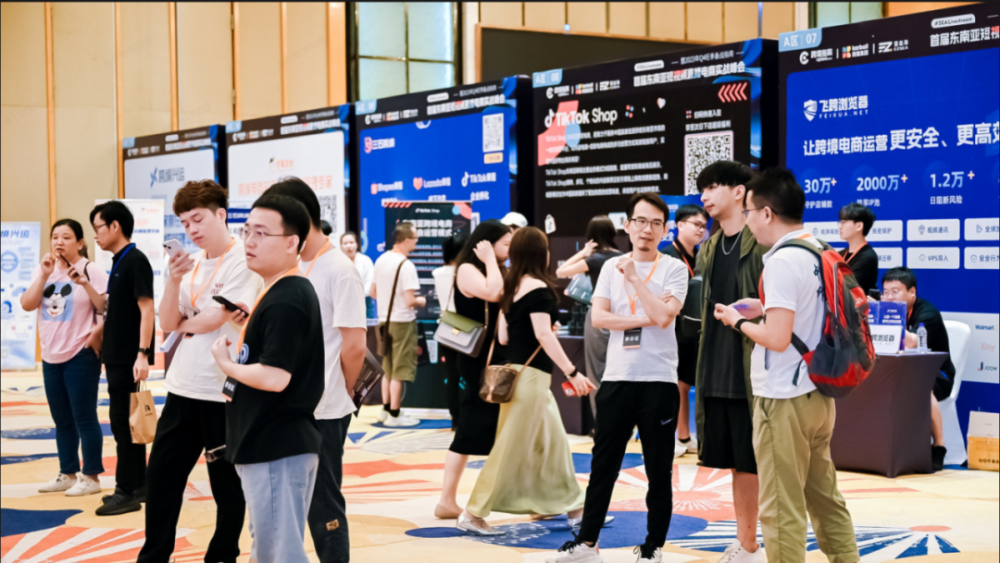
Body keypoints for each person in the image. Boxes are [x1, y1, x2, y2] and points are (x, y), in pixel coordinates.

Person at [715, 167, 859, 563]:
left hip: (783, 397)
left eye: (748, 212)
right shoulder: (818, 248)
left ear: (766, 213)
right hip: (818, 394)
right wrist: (762, 307)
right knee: (825, 497)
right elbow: (807, 309)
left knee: (781, 507)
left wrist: (738, 321)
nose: (747, 221)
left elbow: (777, 338)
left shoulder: (780, 261)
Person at [549, 194, 688, 563]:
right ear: (627, 225)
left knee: (658, 469)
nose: (647, 229)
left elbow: (666, 317)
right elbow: (600, 319)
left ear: (665, 229)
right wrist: (647, 316)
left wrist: (637, 282)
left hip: (659, 380)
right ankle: (587, 544)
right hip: (617, 378)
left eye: (655, 223)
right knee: (603, 465)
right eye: (640, 221)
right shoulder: (611, 267)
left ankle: (653, 546)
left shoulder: (674, 269)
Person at [139, 181, 261, 563]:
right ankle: (154, 556)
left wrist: (185, 322)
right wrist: (174, 280)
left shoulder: (243, 259)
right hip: (182, 387)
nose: (191, 229)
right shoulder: (186, 263)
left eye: (198, 219)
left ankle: (222, 555)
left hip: (223, 389)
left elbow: (213, 319)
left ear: (221, 214)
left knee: (227, 485)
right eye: (184, 222)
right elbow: (167, 321)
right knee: (161, 478)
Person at [459, 227, 596, 536]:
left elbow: (504, 336)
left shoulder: (513, 287)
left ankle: (573, 509)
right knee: (512, 448)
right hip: (531, 379)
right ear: (540, 253)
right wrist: (572, 372)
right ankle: (472, 513)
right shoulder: (539, 289)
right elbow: (543, 334)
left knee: (552, 445)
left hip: (516, 376)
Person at [211, 194, 325, 563]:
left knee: (280, 553)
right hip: (272, 442)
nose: (249, 241)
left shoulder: (286, 298)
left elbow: (275, 377)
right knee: (269, 548)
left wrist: (225, 364)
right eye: (247, 231)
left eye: (261, 233)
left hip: (276, 443)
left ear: (292, 243)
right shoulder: (279, 289)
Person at [264, 178, 368, 563]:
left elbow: (354, 345)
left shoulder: (339, 269)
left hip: (324, 407)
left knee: (323, 504)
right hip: (288, 403)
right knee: (289, 497)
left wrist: (345, 389)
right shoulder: (292, 264)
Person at [695, 161, 768, 563]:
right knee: (740, 465)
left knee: (758, 463)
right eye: (702, 189)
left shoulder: (762, 242)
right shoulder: (708, 247)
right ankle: (747, 543)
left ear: (739, 191)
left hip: (755, 370)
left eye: (712, 186)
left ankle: (760, 542)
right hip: (717, 369)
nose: (704, 196)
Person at [21, 219, 107, 498]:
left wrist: (85, 284)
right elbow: (27, 304)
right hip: (50, 355)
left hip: (81, 353)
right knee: (62, 420)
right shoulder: (43, 269)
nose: (59, 241)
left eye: (66, 237)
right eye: (55, 236)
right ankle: (68, 474)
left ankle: (91, 476)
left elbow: (106, 306)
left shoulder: (90, 269)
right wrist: (44, 276)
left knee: (84, 417)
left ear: (80, 243)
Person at [435, 220, 513, 520]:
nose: (509, 248)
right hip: (477, 357)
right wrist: (491, 260)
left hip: (493, 355)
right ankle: (446, 499)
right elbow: (494, 293)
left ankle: (451, 499)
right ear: (486, 244)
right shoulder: (468, 268)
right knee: (470, 425)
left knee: (490, 425)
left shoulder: (496, 267)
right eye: (505, 243)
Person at [89, 200, 155, 516]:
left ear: (115, 226)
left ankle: (125, 491)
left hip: (129, 358)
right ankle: (139, 484)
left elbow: (147, 309)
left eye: (98, 228)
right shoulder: (120, 261)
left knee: (124, 425)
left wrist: (142, 354)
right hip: (117, 357)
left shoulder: (135, 260)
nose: (96, 235)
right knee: (126, 423)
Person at [882, 266, 956, 472]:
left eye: (895, 292)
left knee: (922, 388)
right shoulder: (888, 310)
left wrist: (885, 317)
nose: (889, 298)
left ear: (912, 292)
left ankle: (939, 445)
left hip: (936, 374)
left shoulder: (927, 313)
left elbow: (913, 342)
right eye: (885, 292)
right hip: (902, 371)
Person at [555, 215, 622, 425]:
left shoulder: (594, 259)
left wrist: (583, 253)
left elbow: (560, 271)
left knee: (597, 371)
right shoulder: (623, 257)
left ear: (591, 236)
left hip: (599, 316)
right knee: (620, 368)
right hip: (622, 316)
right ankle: (622, 420)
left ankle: (602, 422)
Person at [662, 204, 709, 460]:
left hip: (696, 330)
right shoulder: (667, 256)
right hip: (672, 330)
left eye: (704, 225)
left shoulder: (702, 256)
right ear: (679, 225)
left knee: (688, 383)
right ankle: (674, 437)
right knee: (676, 385)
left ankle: (686, 436)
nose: (701, 230)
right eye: (696, 224)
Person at [372, 223, 425, 427]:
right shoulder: (406, 265)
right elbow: (410, 300)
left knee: (387, 366)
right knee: (400, 369)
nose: (417, 242)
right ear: (406, 240)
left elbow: (373, 291)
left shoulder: (381, 259)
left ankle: (385, 411)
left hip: (384, 320)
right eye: (415, 238)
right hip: (402, 321)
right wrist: (421, 300)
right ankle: (395, 413)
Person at [433, 234, 468, 425]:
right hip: (465, 326)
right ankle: (467, 415)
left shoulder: (437, 273)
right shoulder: (466, 272)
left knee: (452, 375)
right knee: (469, 374)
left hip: (446, 325)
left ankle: (455, 417)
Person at [838, 203, 879, 296]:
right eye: (840, 222)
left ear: (859, 226)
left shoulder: (868, 257)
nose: (840, 226)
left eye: (843, 222)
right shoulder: (840, 254)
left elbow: (847, 287)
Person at [341, 231, 374, 296]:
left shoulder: (365, 260)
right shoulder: (338, 263)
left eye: (351, 242)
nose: (349, 246)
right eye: (345, 243)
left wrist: (356, 295)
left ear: (357, 244)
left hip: (364, 298)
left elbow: (370, 283)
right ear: (341, 246)